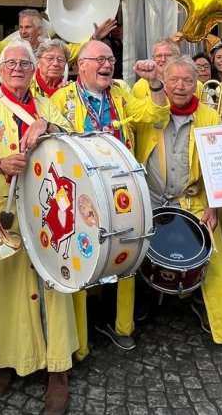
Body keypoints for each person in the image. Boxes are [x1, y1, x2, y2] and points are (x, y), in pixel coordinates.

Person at [0, 39, 76, 415]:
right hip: (0, 209)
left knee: (53, 285)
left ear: (34, 71)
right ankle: (1, 359)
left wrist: (47, 124)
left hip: (48, 207)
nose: (17, 68)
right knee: (2, 287)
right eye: (11, 63)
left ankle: (58, 369)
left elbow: (74, 141)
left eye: (24, 64)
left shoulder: (49, 105)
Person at [49, 40, 170, 354]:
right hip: (81, 191)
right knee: (81, 253)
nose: (107, 65)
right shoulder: (62, 97)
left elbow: (154, 112)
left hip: (121, 188)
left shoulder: (121, 92)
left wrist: (155, 82)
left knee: (125, 250)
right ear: (81, 65)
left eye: (111, 59)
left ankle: (121, 325)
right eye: (100, 59)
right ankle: (80, 337)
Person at [134, 56, 222, 346]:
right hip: (150, 200)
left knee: (215, 258)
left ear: (196, 85)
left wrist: (213, 207)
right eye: (174, 80)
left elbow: (219, 166)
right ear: (164, 83)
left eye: (187, 81)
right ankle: (138, 308)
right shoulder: (148, 110)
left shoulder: (209, 116)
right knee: (135, 254)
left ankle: (217, 322)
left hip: (192, 200)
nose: (180, 86)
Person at [0, 9, 116, 63]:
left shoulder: (53, 48)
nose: (23, 31)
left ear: (39, 29)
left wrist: (95, 37)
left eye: (28, 27)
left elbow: (77, 50)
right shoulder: (12, 46)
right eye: (21, 27)